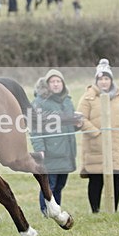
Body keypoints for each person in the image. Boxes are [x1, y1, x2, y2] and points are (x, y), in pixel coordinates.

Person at [77, 59, 119, 213]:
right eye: (100, 79)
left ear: (111, 80)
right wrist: (96, 133)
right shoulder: (88, 97)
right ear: (96, 80)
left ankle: (113, 211)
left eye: (106, 79)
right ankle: (95, 211)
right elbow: (79, 118)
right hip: (96, 146)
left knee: (117, 178)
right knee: (96, 179)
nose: (103, 82)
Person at [30, 70, 80, 217]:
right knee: (49, 184)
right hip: (50, 152)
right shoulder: (40, 103)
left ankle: (56, 210)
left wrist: (77, 124)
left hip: (67, 151)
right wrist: (40, 148)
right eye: (53, 82)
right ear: (47, 84)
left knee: (59, 185)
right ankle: (46, 211)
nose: (56, 84)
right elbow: (34, 128)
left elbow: (70, 122)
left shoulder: (67, 100)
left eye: (59, 81)